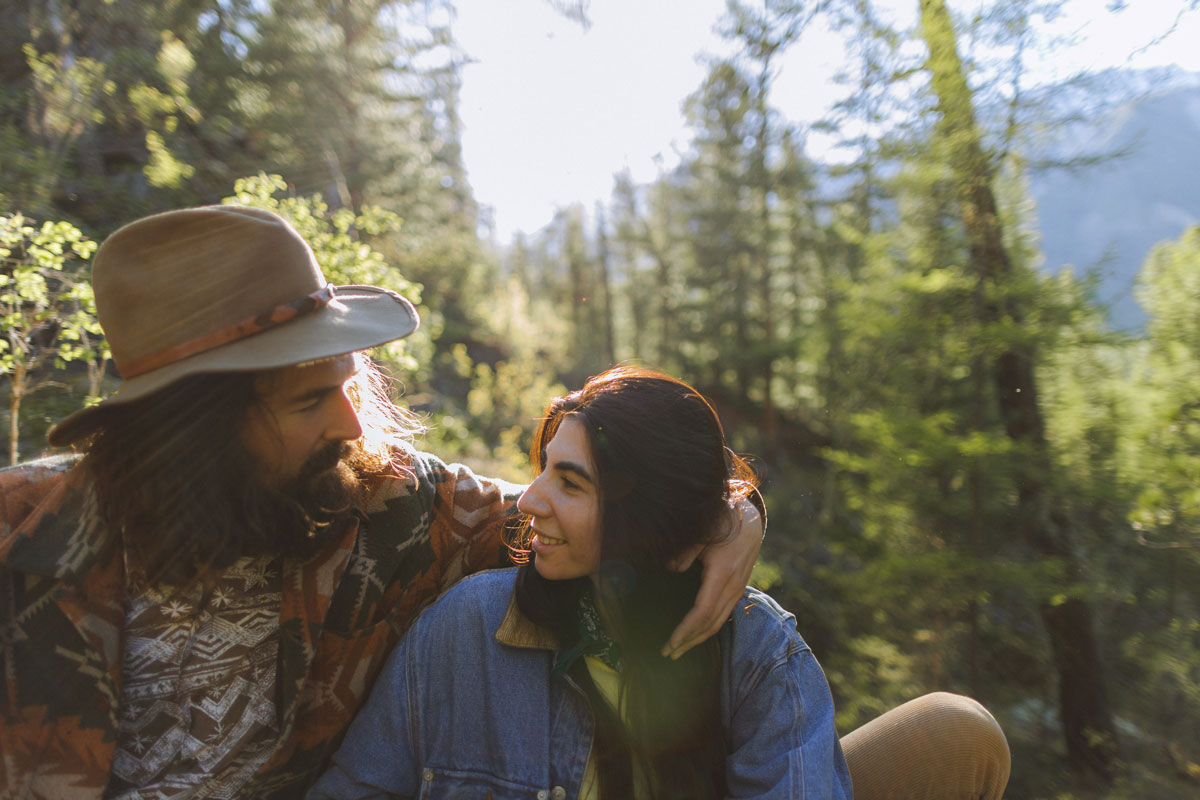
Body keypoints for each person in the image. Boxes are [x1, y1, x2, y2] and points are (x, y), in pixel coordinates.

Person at [0, 205, 763, 799]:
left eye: (346, 382)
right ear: (194, 429)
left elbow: (595, 508)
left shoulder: (387, 504)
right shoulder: (22, 541)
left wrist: (730, 512)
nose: (353, 423)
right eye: (307, 403)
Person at [309, 368, 1012, 800]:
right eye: (542, 468)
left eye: (570, 482)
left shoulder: (759, 653)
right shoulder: (466, 629)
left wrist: (737, 508)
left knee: (958, 732)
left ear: (647, 518)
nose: (528, 501)